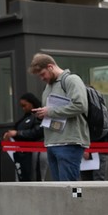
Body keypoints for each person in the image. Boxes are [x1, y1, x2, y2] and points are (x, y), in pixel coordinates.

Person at [28, 53, 89, 182]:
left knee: (71, 185)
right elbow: (51, 112)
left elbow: (80, 105)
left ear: (50, 67)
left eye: (42, 74)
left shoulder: (71, 80)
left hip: (69, 142)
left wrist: (49, 112)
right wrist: (42, 114)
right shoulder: (48, 86)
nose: (42, 78)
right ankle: (73, 201)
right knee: (60, 187)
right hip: (52, 142)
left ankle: (77, 201)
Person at [2, 93, 44, 182]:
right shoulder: (26, 117)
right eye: (21, 106)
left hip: (36, 151)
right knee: (24, 178)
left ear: (32, 103)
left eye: (25, 105)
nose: (23, 108)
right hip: (24, 153)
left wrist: (17, 133)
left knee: (35, 178)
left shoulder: (38, 115)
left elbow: (37, 132)